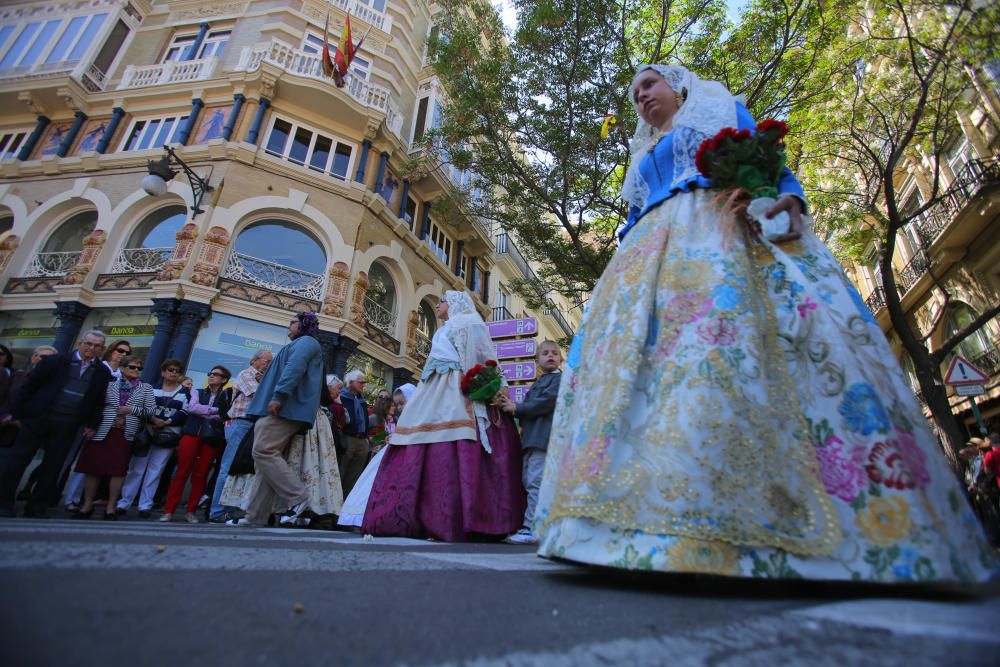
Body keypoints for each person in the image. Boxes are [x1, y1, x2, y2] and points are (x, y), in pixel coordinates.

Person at [533, 64, 996, 584]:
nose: (641, 96)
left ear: (676, 86)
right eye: (635, 91)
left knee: (719, 358)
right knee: (640, 384)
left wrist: (782, 197)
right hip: (646, 264)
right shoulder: (641, 156)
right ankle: (624, 526)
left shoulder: (716, 110)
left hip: (722, 232)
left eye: (649, 84)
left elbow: (762, 157)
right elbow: (631, 216)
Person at [344, 291, 525, 541]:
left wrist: (491, 386)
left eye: (441, 301)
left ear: (453, 304)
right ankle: (416, 516)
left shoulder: (469, 322)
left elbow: (485, 357)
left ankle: (459, 517)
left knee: (453, 438)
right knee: (416, 439)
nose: (438, 305)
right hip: (432, 390)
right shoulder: (444, 329)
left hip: (456, 390)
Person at [0, 330, 111, 518]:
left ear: (102, 349)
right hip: (39, 417)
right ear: (80, 344)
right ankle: (4, 503)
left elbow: (98, 400)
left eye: (96, 346)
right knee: (18, 460)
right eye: (88, 344)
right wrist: (21, 414)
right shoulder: (55, 362)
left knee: (53, 465)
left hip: (68, 422)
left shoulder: (101, 371)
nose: (91, 349)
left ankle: (36, 507)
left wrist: (91, 423)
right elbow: (30, 387)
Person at [229, 312, 324, 527]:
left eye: (292, 322)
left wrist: (279, 395)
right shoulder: (302, 344)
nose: (288, 326)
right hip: (279, 409)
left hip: (283, 409)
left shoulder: (306, 342)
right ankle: (256, 516)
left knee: (262, 450)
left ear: (304, 324)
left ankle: (298, 496)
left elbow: (295, 367)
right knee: (264, 463)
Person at [73, 356, 155, 520]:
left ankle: (111, 506)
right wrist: (91, 425)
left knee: (117, 470)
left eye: (139, 368)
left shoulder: (145, 388)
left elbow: (151, 410)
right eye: (132, 367)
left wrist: (132, 410)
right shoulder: (109, 384)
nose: (136, 371)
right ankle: (87, 504)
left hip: (125, 432)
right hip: (103, 429)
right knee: (93, 468)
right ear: (123, 368)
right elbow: (97, 405)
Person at [499, 340, 563, 545]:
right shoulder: (539, 382)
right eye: (545, 353)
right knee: (530, 482)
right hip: (531, 440)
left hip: (544, 439)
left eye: (554, 353)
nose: (550, 356)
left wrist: (516, 408)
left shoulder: (560, 379)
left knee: (535, 483)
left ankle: (531, 528)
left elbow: (545, 403)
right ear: (537, 360)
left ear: (561, 359)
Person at [63, 338, 134, 510]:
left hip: (108, 425)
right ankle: (67, 497)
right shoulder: (100, 368)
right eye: (120, 350)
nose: (122, 354)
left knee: (91, 464)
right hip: (89, 420)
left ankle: (80, 499)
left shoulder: (123, 376)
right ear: (110, 350)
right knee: (72, 460)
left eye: (126, 353)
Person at [118, 359, 189, 518]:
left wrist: (167, 422)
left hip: (168, 435)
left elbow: (184, 412)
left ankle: (145, 505)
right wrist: (154, 420)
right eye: (170, 369)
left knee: (156, 470)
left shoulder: (185, 392)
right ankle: (124, 502)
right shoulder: (150, 388)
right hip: (148, 432)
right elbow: (142, 406)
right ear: (163, 372)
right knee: (136, 468)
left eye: (177, 371)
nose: (174, 373)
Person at [208, 349, 272, 523]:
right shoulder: (246, 374)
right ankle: (216, 510)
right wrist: (266, 384)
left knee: (240, 466)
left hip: (254, 425)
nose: (269, 365)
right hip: (241, 422)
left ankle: (230, 506)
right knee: (227, 466)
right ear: (256, 361)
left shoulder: (262, 378)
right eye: (267, 361)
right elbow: (260, 396)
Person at [160, 365, 230, 523]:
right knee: (182, 471)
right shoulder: (197, 391)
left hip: (211, 437)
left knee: (201, 474)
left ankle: (191, 510)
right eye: (210, 373)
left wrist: (205, 411)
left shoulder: (226, 395)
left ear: (224, 380)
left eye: (216, 374)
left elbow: (223, 414)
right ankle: (169, 510)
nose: (211, 376)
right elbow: (192, 408)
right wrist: (213, 411)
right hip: (192, 433)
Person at [0, 345, 57, 448]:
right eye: (43, 357)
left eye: (51, 359)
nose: (47, 361)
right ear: (33, 358)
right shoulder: (17, 376)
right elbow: (3, 397)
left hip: (27, 434)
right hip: (4, 428)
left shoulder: (55, 384)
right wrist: (7, 417)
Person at [339, 370, 371, 496]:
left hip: (362, 440)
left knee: (354, 475)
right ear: (351, 382)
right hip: (348, 439)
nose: (363, 385)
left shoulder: (362, 400)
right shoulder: (342, 398)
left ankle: (346, 501)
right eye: (360, 382)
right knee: (341, 471)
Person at [324, 374, 347, 463]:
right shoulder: (330, 406)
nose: (339, 392)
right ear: (329, 388)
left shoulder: (336, 405)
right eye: (338, 388)